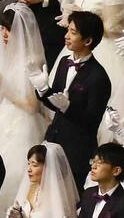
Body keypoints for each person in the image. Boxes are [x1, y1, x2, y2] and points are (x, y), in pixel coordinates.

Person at [0, 5, 52, 218]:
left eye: (8, 30)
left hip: (24, 124)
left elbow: (31, 105)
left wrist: (1, 84)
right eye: (1, 29)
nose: (3, 34)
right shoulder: (7, 55)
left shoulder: (31, 60)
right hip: (3, 117)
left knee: (14, 175)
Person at [39, 11, 110, 188]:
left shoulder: (98, 77)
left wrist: (68, 108)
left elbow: (92, 121)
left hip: (77, 150)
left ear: (88, 41)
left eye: (73, 32)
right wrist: (42, 90)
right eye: (68, 30)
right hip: (54, 139)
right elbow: (55, 101)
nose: (66, 36)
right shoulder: (64, 62)